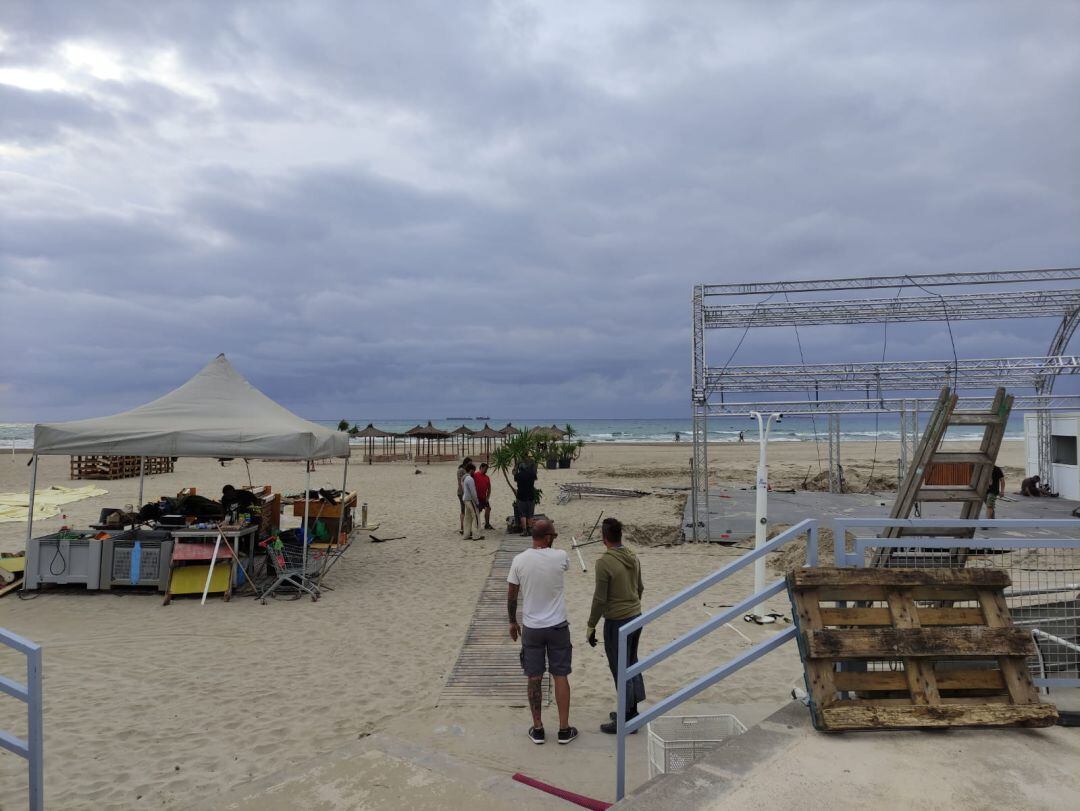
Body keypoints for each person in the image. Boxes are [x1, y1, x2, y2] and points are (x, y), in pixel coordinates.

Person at [507, 519, 577, 745]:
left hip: (532, 627)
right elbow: (563, 564)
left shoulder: (519, 560)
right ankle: (564, 729)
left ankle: (538, 728)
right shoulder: (560, 556)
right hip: (557, 625)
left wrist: (512, 622)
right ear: (548, 538)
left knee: (534, 677)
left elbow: (512, 595)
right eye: (553, 535)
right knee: (560, 675)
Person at [585, 517, 646, 734]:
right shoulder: (632, 555)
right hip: (636, 616)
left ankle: (627, 719)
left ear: (604, 538)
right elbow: (640, 588)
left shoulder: (604, 562)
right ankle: (631, 710)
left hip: (617, 621)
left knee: (620, 668)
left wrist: (591, 625)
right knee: (631, 663)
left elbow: (600, 599)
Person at [514, 455, 538, 537]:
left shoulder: (518, 475)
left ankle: (524, 531)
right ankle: (530, 530)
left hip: (521, 496)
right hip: (531, 495)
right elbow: (535, 473)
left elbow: (514, 473)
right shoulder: (531, 474)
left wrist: (516, 465)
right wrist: (534, 463)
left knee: (522, 514)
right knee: (530, 514)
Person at [461, 462, 484, 540]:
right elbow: (473, 492)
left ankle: (466, 534)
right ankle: (476, 535)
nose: (474, 472)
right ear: (471, 470)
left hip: (465, 499)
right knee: (476, 516)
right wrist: (477, 502)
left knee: (468, 518)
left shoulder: (464, 478)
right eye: (474, 470)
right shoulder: (470, 479)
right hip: (470, 500)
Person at [473, 462, 494, 530]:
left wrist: (487, 497)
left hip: (484, 498)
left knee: (488, 509)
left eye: (487, 469)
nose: (486, 471)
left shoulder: (487, 477)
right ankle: (476, 525)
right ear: (481, 468)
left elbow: (489, 488)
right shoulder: (475, 475)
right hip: (477, 497)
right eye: (485, 469)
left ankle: (487, 524)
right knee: (478, 511)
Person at [456, 457, 473, 534]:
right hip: (462, 493)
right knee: (463, 509)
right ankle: (462, 527)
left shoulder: (466, 470)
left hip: (466, 492)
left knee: (466, 510)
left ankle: (466, 527)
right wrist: (464, 493)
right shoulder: (461, 470)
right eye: (470, 463)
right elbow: (460, 483)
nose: (471, 464)